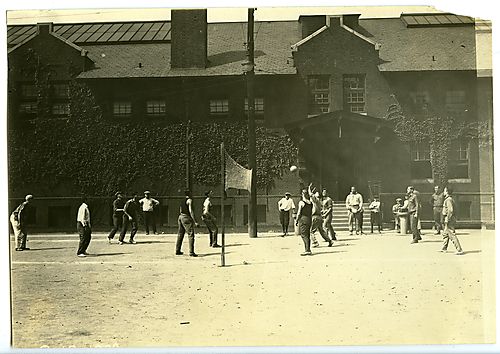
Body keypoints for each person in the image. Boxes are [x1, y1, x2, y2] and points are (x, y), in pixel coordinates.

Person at [440, 186, 464, 255]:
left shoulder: (448, 200)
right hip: (448, 218)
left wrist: (448, 218)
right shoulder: (448, 199)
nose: (443, 192)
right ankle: (444, 248)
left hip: (449, 218)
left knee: (451, 234)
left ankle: (459, 249)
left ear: (447, 192)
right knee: (445, 233)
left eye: (444, 191)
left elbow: (450, 210)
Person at [176, 190, 199, 257]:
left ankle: (177, 250)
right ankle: (191, 252)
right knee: (191, 234)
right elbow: (191, 211)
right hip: (186, 217)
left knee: (180, 234)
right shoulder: (189, 200)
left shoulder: (182, 200)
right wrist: (195, 221)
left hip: (180, 217)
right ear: (190, 193)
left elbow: (180, 210)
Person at [295, 188, 313, 256]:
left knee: (304, 235)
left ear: (302, 194)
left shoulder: (301, 202)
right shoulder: (310, 202)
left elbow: (299, 213)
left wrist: (297, 220)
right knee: (307, 234)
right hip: (309, 218)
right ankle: (308, 249)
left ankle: (307, 250)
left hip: (303, 219)